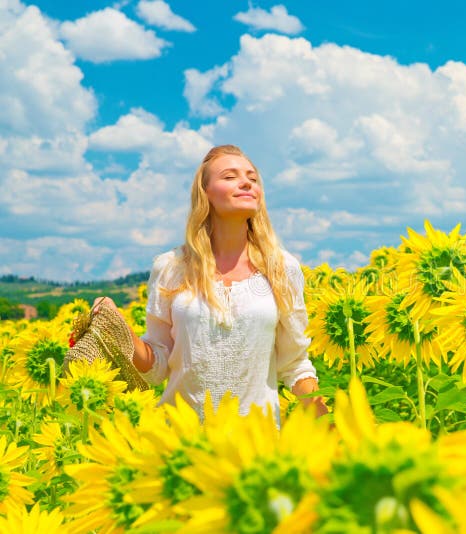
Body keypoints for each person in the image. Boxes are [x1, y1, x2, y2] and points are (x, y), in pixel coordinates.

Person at [94, 144, 327, 424]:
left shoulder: (281, 268)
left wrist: (332, 430)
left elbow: (295, 365)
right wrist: (119, 330)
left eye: (252, 179)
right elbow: (156, 368)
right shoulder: (171, 267)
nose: (245, 183)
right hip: (181, 443)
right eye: (229, 177)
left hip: (256, 446)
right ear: (205, 193)